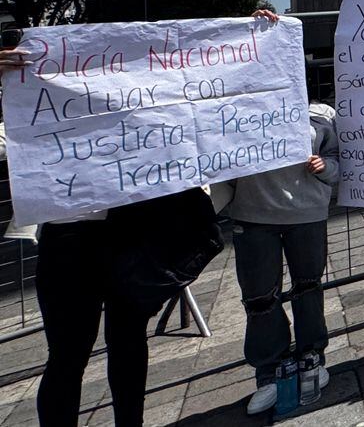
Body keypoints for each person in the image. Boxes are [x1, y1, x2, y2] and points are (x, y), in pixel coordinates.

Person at [5, 40, 223, 427]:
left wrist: (260, 30)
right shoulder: (35, 107)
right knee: (68, 355)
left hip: (130, 234)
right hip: (67, 239)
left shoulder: (138, 110)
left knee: (127, 342)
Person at [216, 83, 340, 415]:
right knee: (258, 298)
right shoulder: (233, 114)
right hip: (252, 215)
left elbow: (338, 161)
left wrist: (325, 168)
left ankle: (312, 356)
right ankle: (269, 372)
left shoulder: (321, 116)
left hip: (307, 214)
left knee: (308, 287)